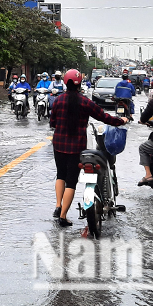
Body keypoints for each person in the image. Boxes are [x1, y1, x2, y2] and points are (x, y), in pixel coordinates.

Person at [49, 69, 129, 227]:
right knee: (71, 181)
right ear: (80, 84)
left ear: (65, 82)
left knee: (61, 175)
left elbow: (52, 123)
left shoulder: (58, 100)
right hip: (76, 146)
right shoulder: (85, 102)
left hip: (59, 144)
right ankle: (63, 216)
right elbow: (104, 117)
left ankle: (58, 206)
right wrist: (121, 121)